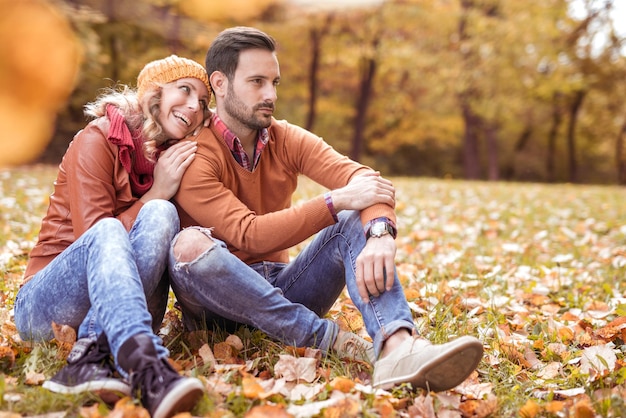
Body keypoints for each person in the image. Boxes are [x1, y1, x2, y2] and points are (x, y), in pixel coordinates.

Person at [169, 26, 483, 392]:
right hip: (217, 308)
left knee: (353, 220)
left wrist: (380, 233)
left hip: (284, 286)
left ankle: (398, 346)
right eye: (257, 81)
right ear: (219, 84)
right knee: (188, 247)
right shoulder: (193, 156)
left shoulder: (284, 137)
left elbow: (362, 178)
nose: (270, 94)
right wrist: (334, 201)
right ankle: (333, 341)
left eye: (275, 82)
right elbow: (248, 234)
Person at [14, 55, 211, 417]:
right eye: (185, 90)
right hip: (46, 304)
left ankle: (92, 354)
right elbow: (93, 240)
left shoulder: (176, 158)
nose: (194, 106)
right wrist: (157, 191)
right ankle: (147, 364)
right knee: (113, 226)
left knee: (162, 212)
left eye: (202, 101)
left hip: (127, 309)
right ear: (154, 94)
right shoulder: (98, 139)